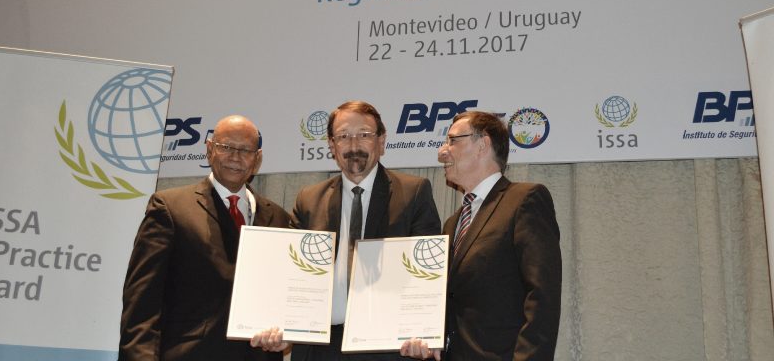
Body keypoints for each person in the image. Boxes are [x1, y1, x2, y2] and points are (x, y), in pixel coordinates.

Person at [251, 100, 442, 360]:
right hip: (320, 348)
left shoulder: (414, 193)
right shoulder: (308, 199)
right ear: (332, 145)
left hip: (387, 347)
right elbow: (292, 278)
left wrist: (425, 332)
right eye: (343, 137)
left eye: (364, 135)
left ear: (381, 141)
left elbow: (426, 273)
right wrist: (281, 328)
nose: (353, 145)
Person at [119, 115, 290, 361]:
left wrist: (286, 332)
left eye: (245, 150)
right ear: (209, 150)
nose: (235, 157)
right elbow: (142, 305)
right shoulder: (170, 207)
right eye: (226, 147)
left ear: (257, 159)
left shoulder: (280, 218)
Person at [400, 111, 562, 360]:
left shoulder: (524, 200)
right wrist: (429, 339)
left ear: (483, 144)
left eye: (453, 140)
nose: (442, 152)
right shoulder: (452, 224)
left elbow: (542, 296)